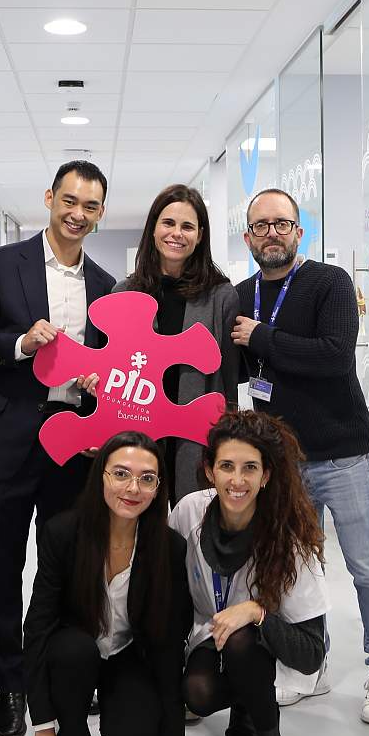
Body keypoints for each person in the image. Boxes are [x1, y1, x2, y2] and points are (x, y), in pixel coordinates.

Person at [231, 187, 369, 725]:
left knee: (367, 567)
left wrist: (263, 337)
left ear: (299, 232)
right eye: (262, 226)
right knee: (298, 570)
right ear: (248, 237)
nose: (272, 233)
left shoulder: (330, 283)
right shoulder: (241, 295)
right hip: (283, 462)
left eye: (282, 223)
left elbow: (333, 356)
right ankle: (313, 664)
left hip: (342, 455)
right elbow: (238, 371)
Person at [0, 160, 116, 736]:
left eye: (90, 206)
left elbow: (108, 362)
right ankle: (10, 686)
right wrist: (20, 344)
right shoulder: (2, 263)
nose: (77, 214)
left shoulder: (105, 284)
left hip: (73, 444)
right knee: (2, 568)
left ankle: (55, 676)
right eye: (70, 201)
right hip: (8, 438)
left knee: (65, 568)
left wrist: (99, 384)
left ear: (100, 213)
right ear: (50, 198)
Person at [23, 431, 193, 736]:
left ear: (158, 488)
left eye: (147, 478)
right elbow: (38, 630)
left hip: (127, 654)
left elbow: (169, 645)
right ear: (100, 475)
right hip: (73, 652)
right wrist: (43, 728)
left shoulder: (169, 547)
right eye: (121, 474)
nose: (133, 488)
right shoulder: (62, 533)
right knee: (73, 651)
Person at [172, 410, 329, 736]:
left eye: (250, 468)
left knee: (243, 640)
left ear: (266, 476)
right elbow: (169, 597)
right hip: (209, 631)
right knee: (197, 692)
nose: (237, 480)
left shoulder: (289, 540)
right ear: (209, 470)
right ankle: (243, 707)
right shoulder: (188, 513)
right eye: (226, 466)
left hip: (264, 644)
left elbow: (311, 654)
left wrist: (258, 612)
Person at [113, 183, 240, 503]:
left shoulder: (221, 296)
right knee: (139, 519)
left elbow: (228, 381)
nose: (177, 234)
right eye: (168, 223)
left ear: (200, 235)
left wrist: (228, 444)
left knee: (193, 520)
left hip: (197, 435)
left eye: (187, 226)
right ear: (153, 229)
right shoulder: (124, 293)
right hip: (139, 428)